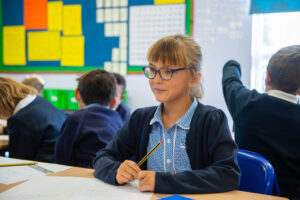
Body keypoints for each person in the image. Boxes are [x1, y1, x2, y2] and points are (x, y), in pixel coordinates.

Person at [94, 35, 240, 194]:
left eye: (167, 71)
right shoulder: (140, 119)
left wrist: (163, 182)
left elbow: (228, 174)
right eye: (152, 69)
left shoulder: (211, 119)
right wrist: (116, 171)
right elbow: (102, 158)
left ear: (193, 78)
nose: (156, 79)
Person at [222, 45, 300, 199]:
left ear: (268, 77)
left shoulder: (244, 102)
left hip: (245, 194)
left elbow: (230, 79)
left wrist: (233, 63)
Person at [55, 69, 124, 168]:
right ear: (113, 102)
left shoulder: (75, 119)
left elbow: (61, 157)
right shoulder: (117, 118)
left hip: (83, 174)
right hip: (112, 173)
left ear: (77, 95)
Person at [0, 77, 66, 162]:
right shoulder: (40, 101)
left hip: (43, 167)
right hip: (60, 161)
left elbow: (18, 160)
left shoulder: (20, 119)